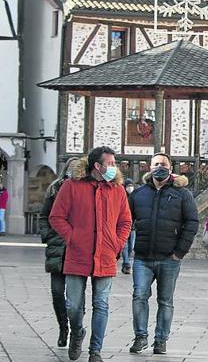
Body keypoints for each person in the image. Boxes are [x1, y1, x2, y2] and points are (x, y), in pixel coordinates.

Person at [49, 146, 132, 362]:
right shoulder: (71, 186)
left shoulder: (117, 190)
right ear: (97, 166)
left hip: (105, 255)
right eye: (111, 163)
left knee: (101, 304)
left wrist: (117, 244)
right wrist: (73, 237)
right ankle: (77, 333)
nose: (114, 167)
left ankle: (95, 351)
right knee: (73, 305)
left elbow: (125, 222)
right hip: (78, 254)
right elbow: (56, 217)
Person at [127, 153, 199, 354]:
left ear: (171, 167)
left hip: (169, 258)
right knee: (139, 296)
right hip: (142, 257)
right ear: (149, 167)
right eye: (156, 164)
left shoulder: (182, 194)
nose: (160, 167)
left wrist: (180, 251)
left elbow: (192, 223)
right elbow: (126, 221)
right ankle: (140, 337)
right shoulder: (138, 194)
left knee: (165, 301)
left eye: (164, 164)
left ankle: (161, 340)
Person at [39, 157, 79, 348]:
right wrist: (47, 236)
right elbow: (44, 215)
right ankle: (63, 327)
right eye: (72, 167)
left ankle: (76, 329)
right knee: (57, 291)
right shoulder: (55, 188)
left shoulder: (86, 188)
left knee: (75, 297)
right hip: (57, 246)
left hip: (77, 247)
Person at [121, 178, 136, 275]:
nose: (130, 188)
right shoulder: (123, 197)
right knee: (125, 246)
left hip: (133, 226)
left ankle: (126, 261)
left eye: (131, 186)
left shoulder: (136, 196)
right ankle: (126, 264)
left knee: (131, 246)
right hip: (124, 225)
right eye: (128, 186)